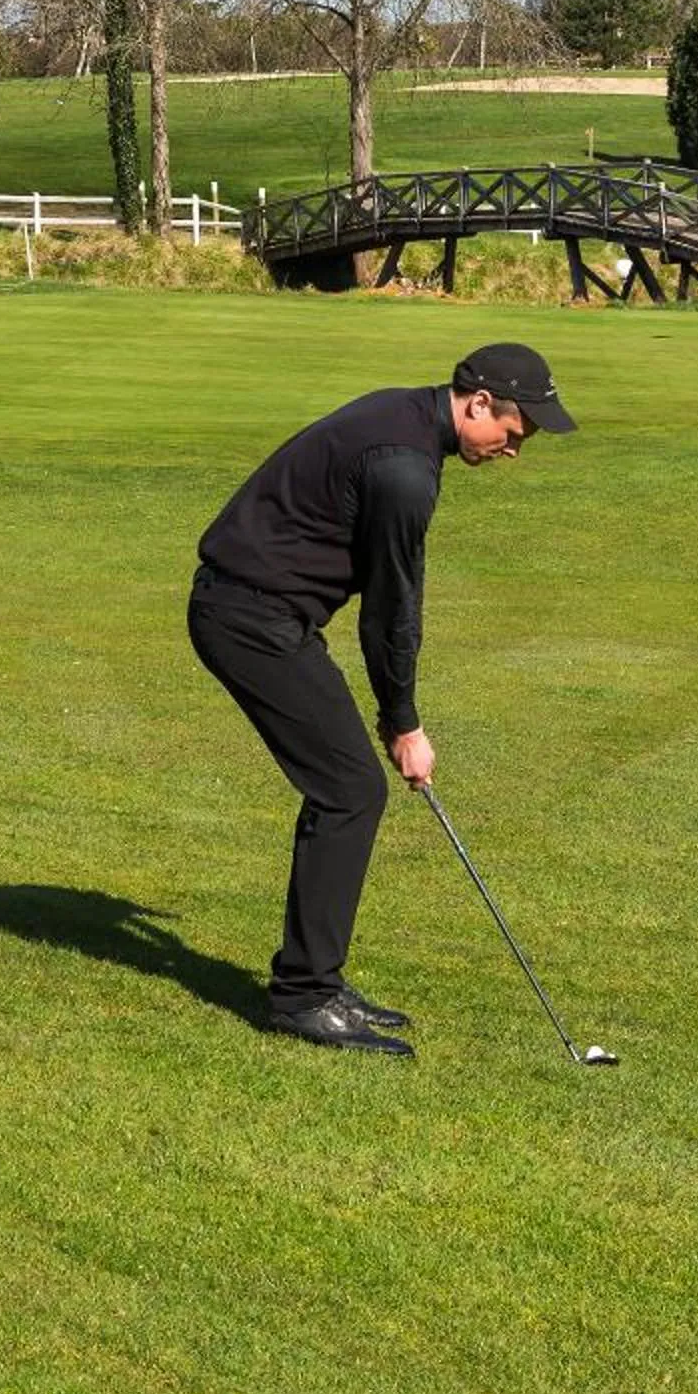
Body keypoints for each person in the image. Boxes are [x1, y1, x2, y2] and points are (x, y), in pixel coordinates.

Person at [187, 342, 575, 1056]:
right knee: (351, 790)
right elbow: (392, 612)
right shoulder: (403, 471)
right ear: (479, 403)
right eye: (515, 434)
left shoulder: (404, 417)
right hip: (247, 618)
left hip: (264, 612)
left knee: (348, 790)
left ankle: (317, 984)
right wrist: (403, 725)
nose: (515, 451)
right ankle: (304, 996)